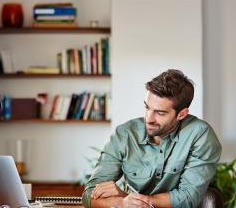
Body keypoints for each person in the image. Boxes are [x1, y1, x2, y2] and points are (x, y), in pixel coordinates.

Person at [82, 69, 222, 208]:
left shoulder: (200, 135)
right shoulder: (125, 134)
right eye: (147, 107)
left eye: (160, 113)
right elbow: (89, 194)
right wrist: (122, 203)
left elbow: (187, 198)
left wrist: (127, 198)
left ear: (181, 114)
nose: (149, 119)